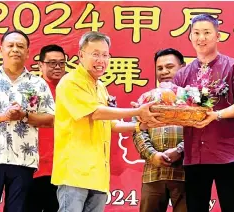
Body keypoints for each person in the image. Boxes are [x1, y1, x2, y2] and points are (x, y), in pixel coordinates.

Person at [51, 31, 165, 212]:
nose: (101, 60)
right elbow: (94, 113)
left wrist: (139, 125)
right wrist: (137, 111)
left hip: (98, 175)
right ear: (81, 55)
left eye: (105, 55)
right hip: (74, 173)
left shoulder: (101, 87)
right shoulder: (70, 82)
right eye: (95, 54)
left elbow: (112, 124)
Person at [173, 14, 234, 212]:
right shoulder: (182, 74)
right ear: (190, 37)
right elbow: (175, 108)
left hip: (226, 153)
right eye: (196, 33)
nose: (201, 38)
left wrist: (216, 115)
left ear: (218, 36)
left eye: (207, 33)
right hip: (194, 155)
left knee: (232, 207)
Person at [0, 30, 54, 212]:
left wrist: (25, 116)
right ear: (1, 50)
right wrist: (4, 116)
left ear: (28, 52)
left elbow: (51, 118)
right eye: (10, 45)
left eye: (20, 46)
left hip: (23, 161)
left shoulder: (37, 84)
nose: (15, 50)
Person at [133, 48, 187, 212]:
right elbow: (138, 131)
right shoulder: (146, 99)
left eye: (169, 67)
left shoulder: (194, 98)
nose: (164, 72)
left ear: (183, 67)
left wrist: (179, 150)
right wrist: (153, 155)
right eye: (160, 68)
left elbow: (202, 132)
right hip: (153, 172)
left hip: (185, 173)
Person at [25, 44, 66, 212]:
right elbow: (28, 117)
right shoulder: (33, 89)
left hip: (62, 169)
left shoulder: (71, 90)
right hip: (34, 167)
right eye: (52, 63)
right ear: (40, 65)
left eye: (61, 63)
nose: (57, 67)